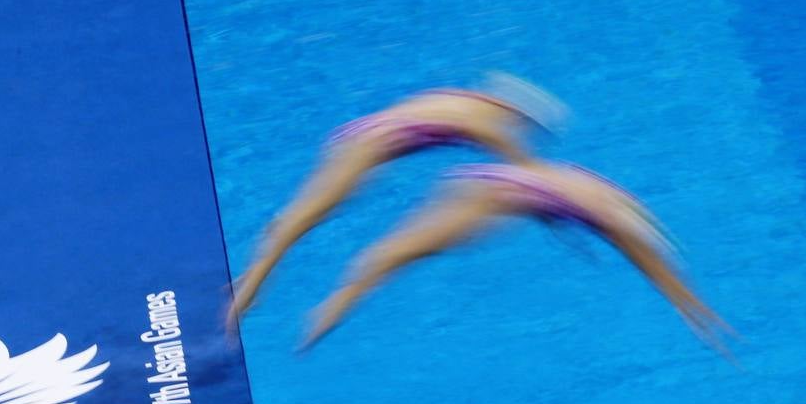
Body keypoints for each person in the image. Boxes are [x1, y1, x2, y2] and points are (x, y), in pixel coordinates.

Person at [228, 74, 570, 328]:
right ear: (517, 116)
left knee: (301, 217)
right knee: (298, 222)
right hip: (368, 146)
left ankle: (247, 285)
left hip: (363, 139)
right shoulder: (486, 122)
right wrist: (554, 205)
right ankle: (243, 298)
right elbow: (526, 170)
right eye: (526, 127)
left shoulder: (459, 97)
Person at [299, 160, 734, 357]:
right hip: (490, 198)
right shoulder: (621, 222)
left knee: (389, 256)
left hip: (494, 184)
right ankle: (326, 315)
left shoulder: (613, 204)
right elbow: (662, 277)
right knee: (388, 259)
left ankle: (333, 307)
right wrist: (700, 319)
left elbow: (655, 266)